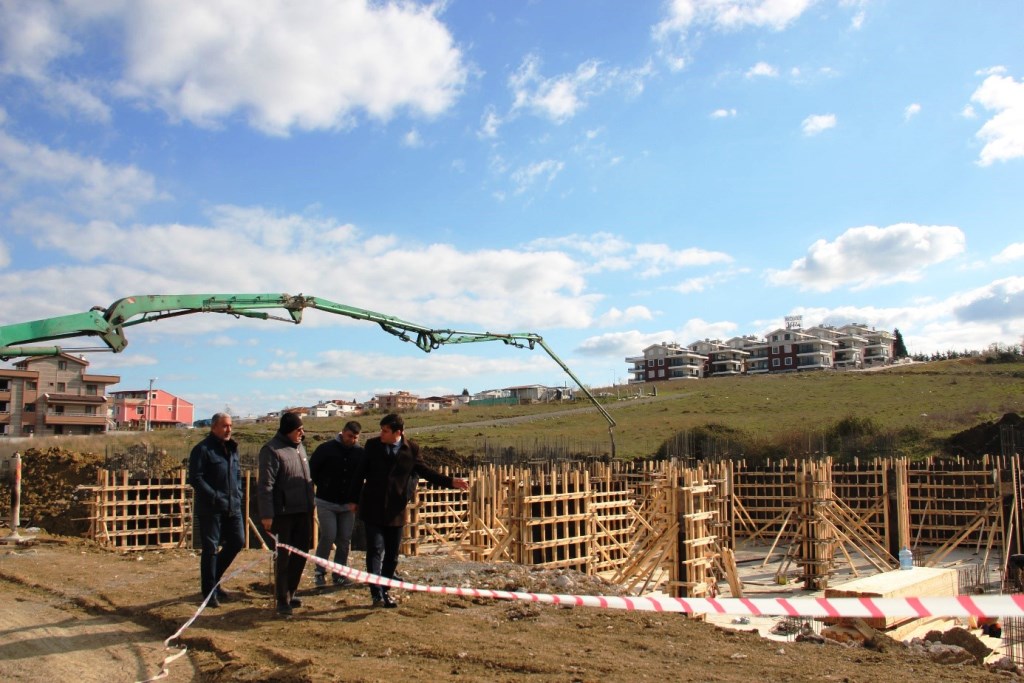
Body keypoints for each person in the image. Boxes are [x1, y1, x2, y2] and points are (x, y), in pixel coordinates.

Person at [353, 413, 469, 609]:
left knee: (392, 555)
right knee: (374, 550)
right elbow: (359, 474)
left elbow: (426, 472)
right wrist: (353, 499)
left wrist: (450, 482)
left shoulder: (411, 449)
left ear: (397, 433)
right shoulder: (372, 446)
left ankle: (386, 589)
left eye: (385, 431)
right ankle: (376, 593)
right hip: (372, 507)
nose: (381, 434)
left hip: (395, 510)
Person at [257, 412, 315, 616]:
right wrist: (266, 514)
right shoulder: (271, 450)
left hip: (303, 510)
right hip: (282, 513)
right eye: (298, 429)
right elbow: (265, 485)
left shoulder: (300, 448)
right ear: (288, 430)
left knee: (301, 554)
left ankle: (291, 591)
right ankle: (281, 598)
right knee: (283, 557)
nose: (302, 433)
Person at [188, 412, 244, 608]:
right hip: (211, 508)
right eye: (224, 426)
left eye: (230, 426)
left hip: (233, 506)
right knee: (210, 549)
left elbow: (237, 474)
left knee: (237, 542)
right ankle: (209, 591)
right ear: (214, 427)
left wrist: (238, 494)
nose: (228, 429)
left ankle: (215, 580)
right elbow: (196, 478)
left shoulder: (233, 449)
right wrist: (214, 496)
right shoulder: (202, 450)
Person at [309, 420, 365, 587]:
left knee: (344, 539)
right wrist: (325, 485)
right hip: (326, 501)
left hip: (348, 504)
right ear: (343, 432)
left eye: (355, 437)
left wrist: (356, 500)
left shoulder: (360, 453)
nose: (352, 440)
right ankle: (320, 571)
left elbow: (361, 478)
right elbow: (312, 471)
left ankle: (340, 573)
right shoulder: (325, 449)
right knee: (328, 536)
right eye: (350, 436)